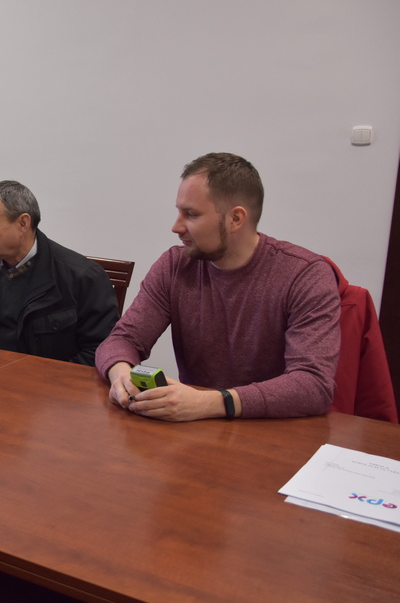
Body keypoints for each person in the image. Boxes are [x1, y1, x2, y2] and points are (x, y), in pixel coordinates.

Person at [96, 152, 340, 422]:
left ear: (235, 219)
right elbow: (122, 340)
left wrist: (209, 402)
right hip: (195, 429)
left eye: (191, 214)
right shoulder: (174, 266)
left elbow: (313, 385)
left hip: (273, 430)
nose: (176, 227)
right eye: (179, 212)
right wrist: (121, 374)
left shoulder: (305, 275)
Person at [0, 180, 119, 366]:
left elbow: (99, 351)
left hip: (46, 380)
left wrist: (44, 380)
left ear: (23, 223)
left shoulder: (83, 277)